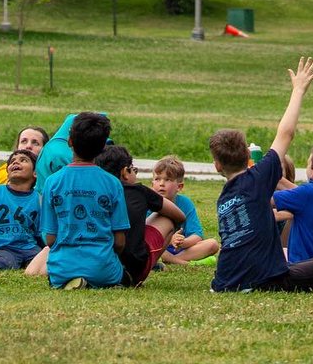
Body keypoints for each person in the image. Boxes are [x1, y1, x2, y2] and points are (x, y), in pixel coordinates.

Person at [209, 57, 313, 292]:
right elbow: (286, 133)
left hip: (224, 282)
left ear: (217, 167)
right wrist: (299, 89)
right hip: (266, 280)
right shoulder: (258, 179)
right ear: (249, 157)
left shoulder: (223, 199)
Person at [33, 111, 129, 289]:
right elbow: (120, 242)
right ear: (102, 148)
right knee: (125, 278)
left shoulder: (52, 182)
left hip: (61, 269)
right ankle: (96, 280)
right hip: (103, 269)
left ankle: (74, 280)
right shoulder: (113, 183)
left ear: (69, 141)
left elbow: (50, 239)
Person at [96, 145, 186, 286]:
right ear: (125, 172)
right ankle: (141, 275)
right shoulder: (138, 191)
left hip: (95, 259)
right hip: (132, 267)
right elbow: (180, 216)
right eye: (134, 169)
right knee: (168, 218)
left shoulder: (94, 191)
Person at [152, 155, 219, 264]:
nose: (161, 184)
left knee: (213, 244)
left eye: (168, 180)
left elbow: (197, 235)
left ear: (179, 186)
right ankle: (185, 262)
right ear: (152, 183)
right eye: (157, 179)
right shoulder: (148, 203)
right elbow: (143, 235)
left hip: (182, 249)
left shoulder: (185, 203)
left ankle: (175, 259)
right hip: (159, 248)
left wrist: (183, 242)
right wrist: (169, 240)